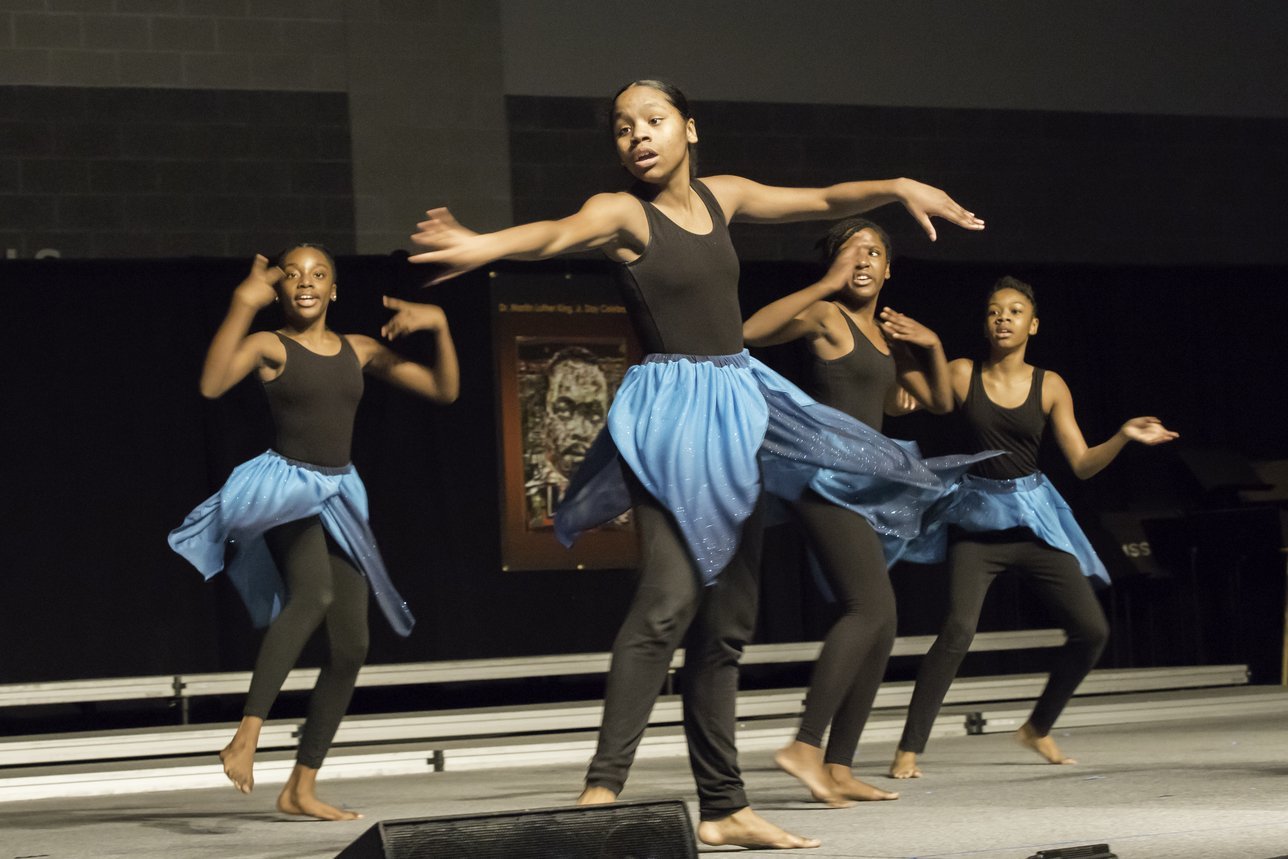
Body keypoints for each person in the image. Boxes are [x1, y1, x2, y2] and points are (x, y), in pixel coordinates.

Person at [407, 79, 984, 849]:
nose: (638, 136)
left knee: (727, 621)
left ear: (690, 128)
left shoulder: (724, 195)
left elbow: (819, 201)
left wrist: (898, 185)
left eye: (653, 120)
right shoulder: (622, 213)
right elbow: (555, 233)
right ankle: (601, 791)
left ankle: (723, 805)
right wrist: (482, 244)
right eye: (623, 128)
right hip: (673, 413)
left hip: (738, 405)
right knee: (667, 600)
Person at [168, 245, 459, 820]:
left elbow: (443, 390)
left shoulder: (359, 349)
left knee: (352, 645)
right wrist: (241, 303)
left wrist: (442, 326)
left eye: (319, 274)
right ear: (279, 289)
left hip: (339, 492)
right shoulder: (270, 346)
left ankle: (300, 787)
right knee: (314, 593)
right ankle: (246, 735)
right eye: (294, 274)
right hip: (283, 488)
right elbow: (211, 385)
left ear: (334, 290)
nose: (306, 281)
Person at [742, 218, 991, 805]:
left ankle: (839, 765)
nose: (862, 260)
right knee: (870, 608)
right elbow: (750, 331)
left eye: (873, 252)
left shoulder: (883, 337)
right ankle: (805, 746)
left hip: (865, 483)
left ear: (887, 269)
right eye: (850, 252)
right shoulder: (826, 316)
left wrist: (931, 345)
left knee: (883, 621)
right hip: (824, 479)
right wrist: (823, 284)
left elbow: (939, 401)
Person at [888, 276, 1178, 779]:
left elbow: (1082, 464)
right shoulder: (962, 373)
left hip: (1034, 520)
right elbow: (910, 400)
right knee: (957, 631)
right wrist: (900, 363)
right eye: (994, 311)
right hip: (978, 523)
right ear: (986, 324)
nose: (1003, 317)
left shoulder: (1050, 385)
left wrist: (1123, 435)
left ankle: (1037, 728)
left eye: (1015, 311)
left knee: (1092, 630)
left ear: (1033, 325)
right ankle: (909, 748)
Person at [526, 347, 610, 528]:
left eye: (593, 414)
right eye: (564, 411)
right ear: (542, 416)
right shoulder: (526, 500)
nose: (579, 430)